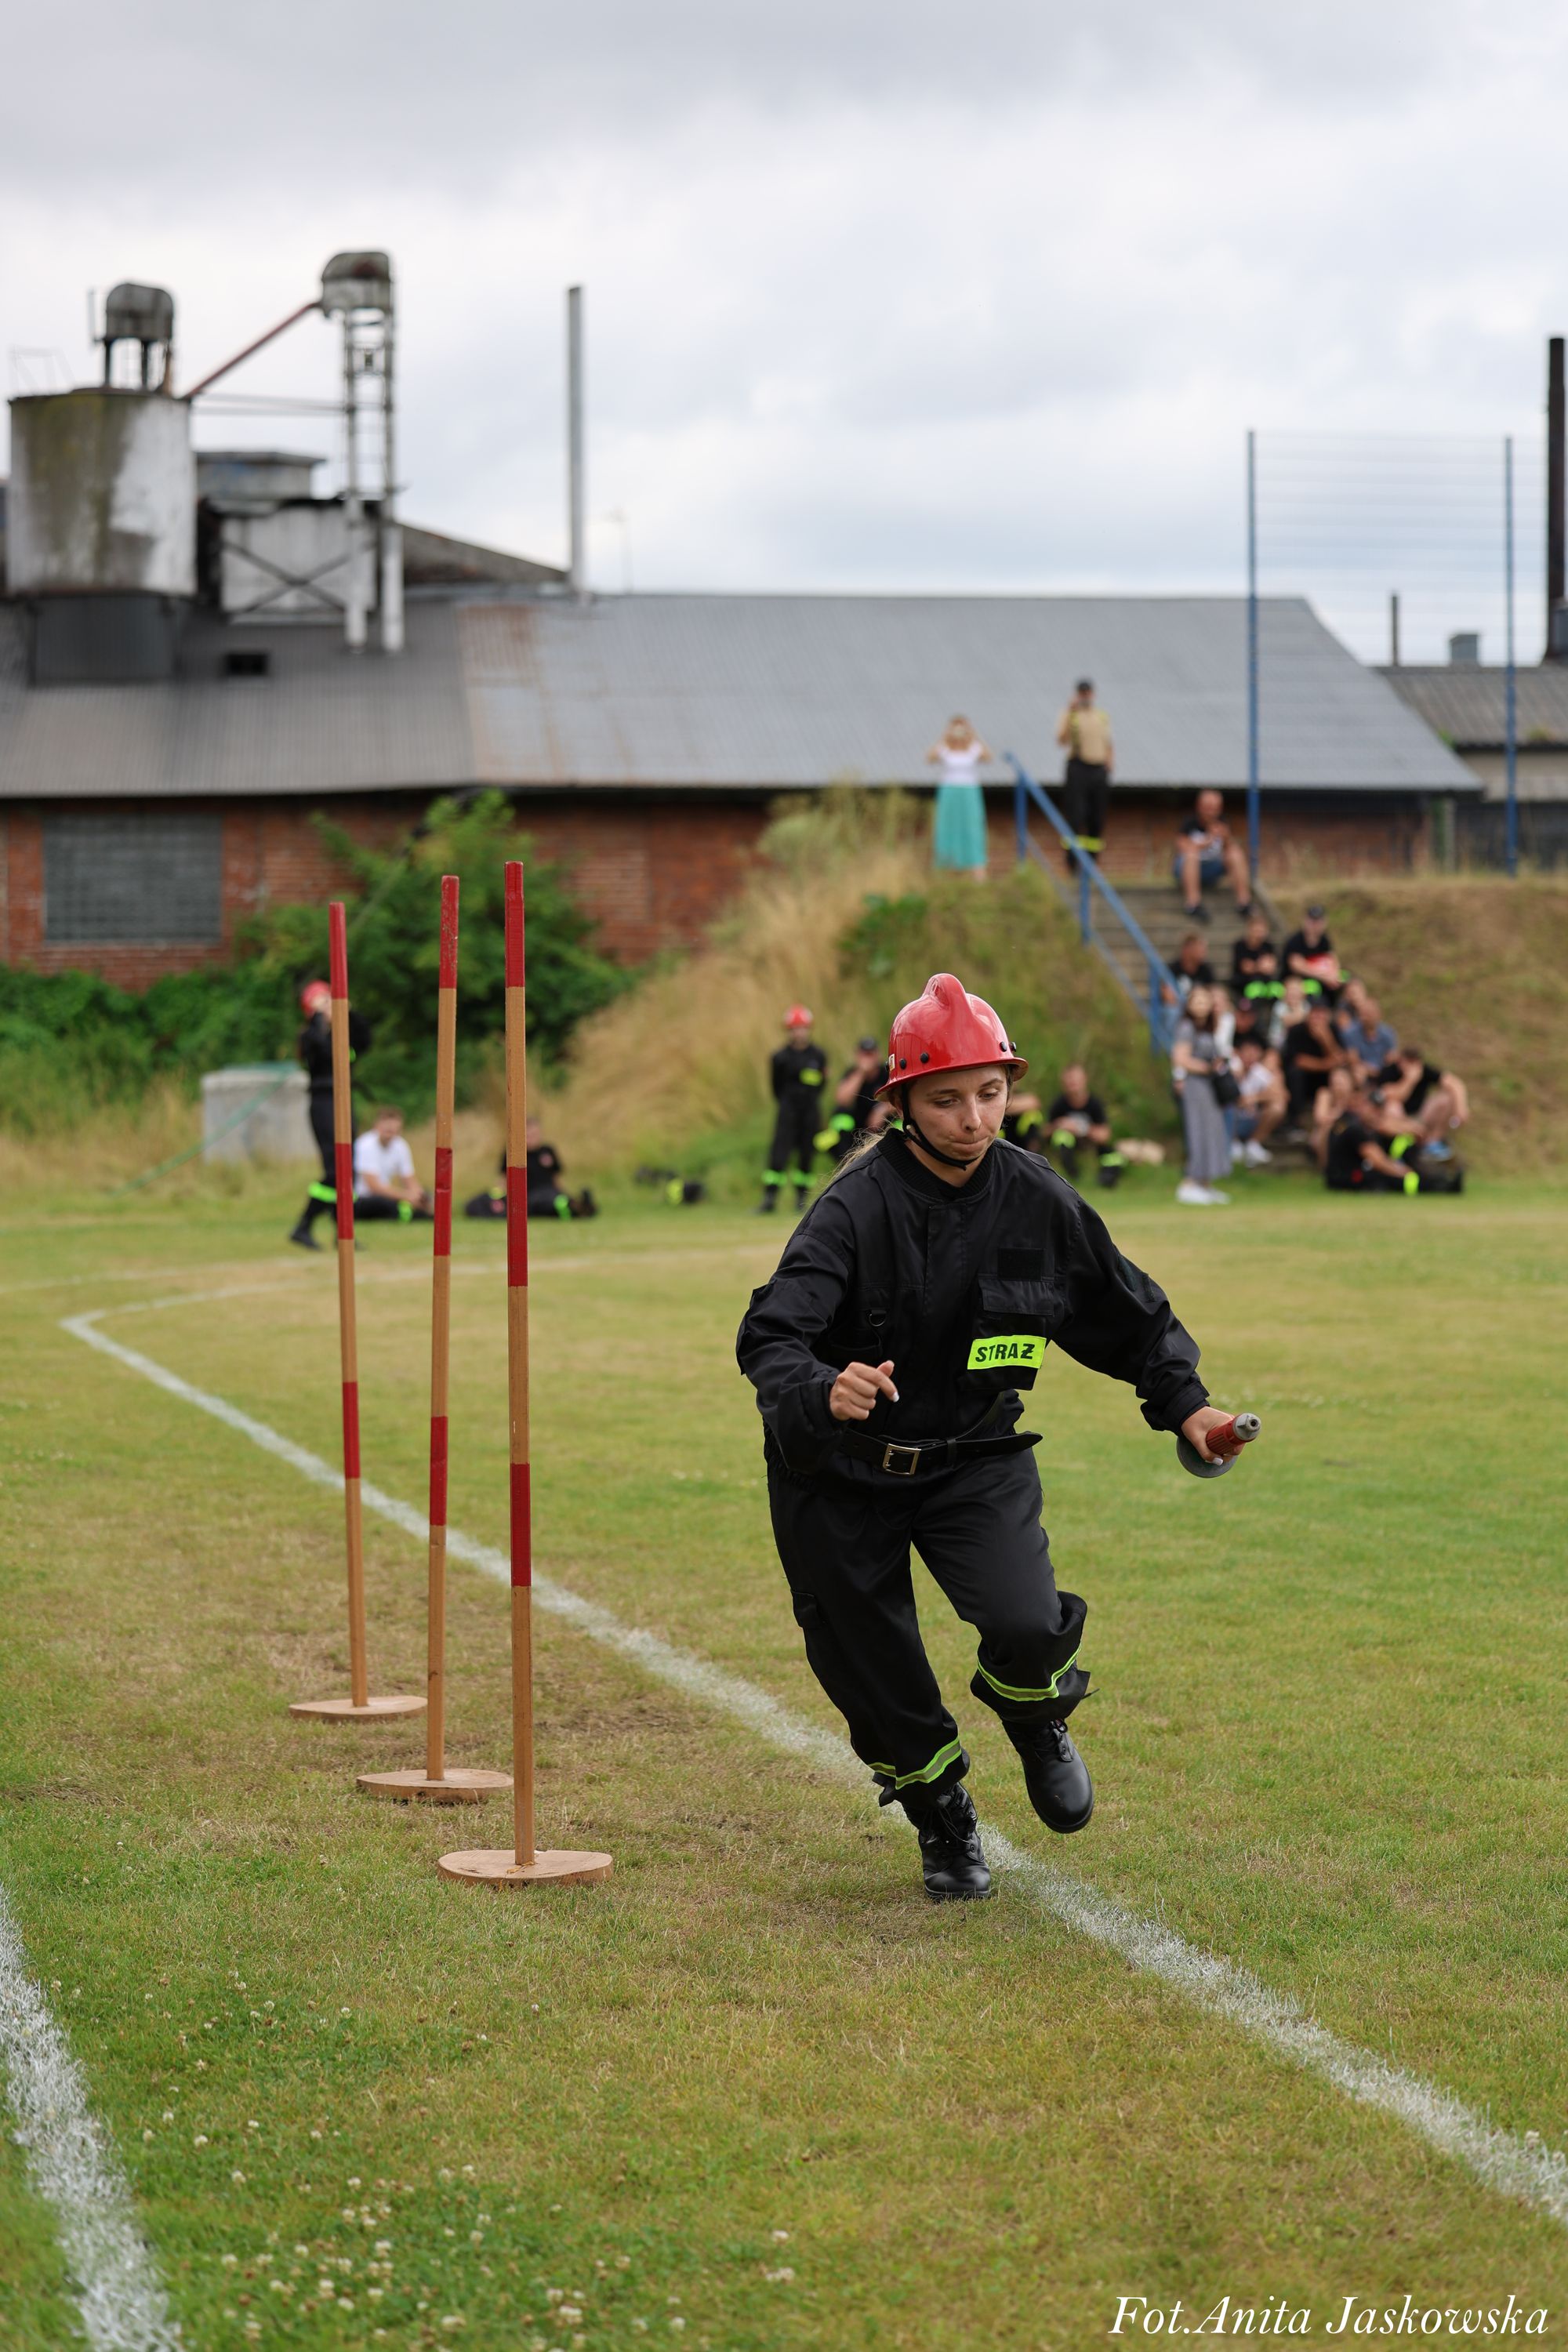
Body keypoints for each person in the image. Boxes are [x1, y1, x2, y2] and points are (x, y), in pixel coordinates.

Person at [735, 972, 1242, 1904]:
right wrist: (821, 1384)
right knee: (875, 1672)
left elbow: (1127, 1316)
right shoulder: (851, 1206)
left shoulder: (1035, 1197)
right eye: (945, 1098)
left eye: (990, 1092)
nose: (972, 1118)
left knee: (1021, 1620)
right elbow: (771, 1335)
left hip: (972, 1459)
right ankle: (941, 1815)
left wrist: (1189, 1410)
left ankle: (1031, 1712)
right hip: (838, 1477)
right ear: (900, 1103)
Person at [288, 978, 372, 1250]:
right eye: (322, 1001)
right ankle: (304, 1225)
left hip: (344, 1100)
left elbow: (365, 1039)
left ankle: (342, 1233)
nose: (329, 1005)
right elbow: (322, 1051)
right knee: (334, 1170)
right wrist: (319, 1020)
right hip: (324, 1102)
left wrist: (346, 1012)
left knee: (348, 1169)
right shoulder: (310, 1036)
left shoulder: (345, 1032)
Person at [758, 1005, 828, 1214]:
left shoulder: (819, 1056)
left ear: (809, 1029)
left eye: (802, 1028)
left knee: (806, 1155)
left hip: (809, 1112)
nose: (799, 1032)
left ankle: (801, 1198)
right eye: (794, 1028)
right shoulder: (779, 1058)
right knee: (779, 1154)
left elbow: (821, 1084)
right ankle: (770, 1197)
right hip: (787, 1112)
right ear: (788, 1031)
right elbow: (776, 1088)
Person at [1171, 985, 1232, 1205]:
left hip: (1208, 1088)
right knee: (1197, 1132)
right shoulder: (1187, 1027)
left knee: (1211, 1132)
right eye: (1197, 1001)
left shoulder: (1208, 1028)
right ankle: (1190, 1182)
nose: (1202, 1006)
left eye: (1205, 1001)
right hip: (1195, 1086)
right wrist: (1208, 1068)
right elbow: (1181, 1058)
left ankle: (1205, 1184)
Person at [1054, 679, 1113, 868]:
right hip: (1079, 767)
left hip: (1098, 770)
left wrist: (1109, 762)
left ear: (1093, 694)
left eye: (1088, 692)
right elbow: (1061, 740)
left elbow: (1109, 742)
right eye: (1082, 692)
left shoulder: (1101, 716)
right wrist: (1071, 711)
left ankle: (1092, 862)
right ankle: (1072, 862)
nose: (1085, 695)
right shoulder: (1070, 714)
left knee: (1096, 817)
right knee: (1076, 815)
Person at [925, 716, 991, 878]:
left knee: (973, 828)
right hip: (949, 793)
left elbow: (988, 757)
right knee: (947, 828)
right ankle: (946, 869)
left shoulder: (974, 747)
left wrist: (973, 735)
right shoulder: (944, 748)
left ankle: (978, 872)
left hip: (969, 792)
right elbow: (930, 758)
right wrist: (945, 736)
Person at [1174, 790, 1253, 924]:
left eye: (1215, 808)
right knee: (1192, 854)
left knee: (1235, 852)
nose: (1211, 812)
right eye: (1208, 808)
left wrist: (1227, 838)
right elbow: (1182, 847)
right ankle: (1193, 904)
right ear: (1199, 807)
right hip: (1186, 870)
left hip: (1213, 870)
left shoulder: (1223, 823)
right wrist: (1205, 843)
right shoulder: (1189, 823)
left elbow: (1231, 851)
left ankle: (1244, 903)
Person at [1045, 1064, 1125, 1189]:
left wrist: (1082, 1129)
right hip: (1070, 1147)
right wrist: (1060, 1125)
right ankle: (1071, 1175)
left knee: (1113, 1155)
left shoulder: (1095, 1104)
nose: (1073, 1085)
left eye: (1076, 1081)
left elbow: (1105, 1135)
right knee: (1062, 1137)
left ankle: (1107, 1179)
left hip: (1092, 1145)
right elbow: (1045, 1132)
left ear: (1084, 1080)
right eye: (1069, 1081)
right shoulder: (1059, 1104)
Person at [351, 1107, 434, 1224]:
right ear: (377, 1126)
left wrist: (418, 1195)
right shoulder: (365, 1144)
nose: (390, 1132)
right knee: (383, 1203)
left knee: (425, 1194)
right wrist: (406, 1196)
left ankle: (415, 1213)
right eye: (387, 1128)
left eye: (393, 1130)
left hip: (386, 1195)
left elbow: (409, 1179)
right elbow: (373, 1186)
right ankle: (410, 1215)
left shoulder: (401, 1145)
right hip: (363, 1198)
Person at [1377, 1047, 1470, 1149]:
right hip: (1399, 1119)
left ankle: (1432, 1143)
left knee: (1446, 1099)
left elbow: (1454, 1084)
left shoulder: (1423, 1069)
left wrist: (1460, 1108)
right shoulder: (1389, 1072)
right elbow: (1394, 1095)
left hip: (1420, 1115)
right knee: (1393, 1106)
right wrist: (1410, 1080)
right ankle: (1402, 1144)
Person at [821, 1037, 891, 1164]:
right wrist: (861, 1073)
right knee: (840, 1115)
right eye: (864, 1054)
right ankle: (846, 1161)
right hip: (857, 1125)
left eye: (871, 1054)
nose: (868, 1059)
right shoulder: (852, 1073)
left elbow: (901, 1100)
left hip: (881, 1124)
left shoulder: (886, 1074)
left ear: (878, 1055)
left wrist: (882, 1109)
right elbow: (842, 1100)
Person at [1281, 1000, 1344, 1123]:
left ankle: (1339, 1114)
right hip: (1302, 1079)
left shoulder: (1333, 1030)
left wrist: (1326, 1039)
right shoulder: (1297, 1030)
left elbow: (1340, 1058)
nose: (1318, 1019)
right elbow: (1299, 1060)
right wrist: (1326, 1064)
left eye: (1322, 1014)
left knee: (1340, 1076)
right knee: (1295, 1073)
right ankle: (1294, 1119)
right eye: (1315, 1014)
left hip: (1324, 1079)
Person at [1232, 1036, 1287, 1166]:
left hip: (1250, 1118)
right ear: (1239, 1053)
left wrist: (1254, 1098)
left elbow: (1280, 1094)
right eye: (1247, 1052)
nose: (1250, 1056)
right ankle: (1232, 1143)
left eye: (1254, 1052)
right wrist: (1239, 1100)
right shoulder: (1231, 1068)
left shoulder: (1259, 1072)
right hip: (1230, 1117)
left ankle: (1253, 1143)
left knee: (1278, 1108)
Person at [1281, 905, 1344, 1003]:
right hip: (1297, 980)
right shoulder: (1295, 941)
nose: (1315, 925)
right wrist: (1325, 977)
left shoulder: (1324, 940)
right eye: (1312, 921)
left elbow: (1332, 958)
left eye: (1318, 921)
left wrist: (1335, 973)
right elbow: (1297, 966)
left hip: (1320, 979)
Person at [1230, 913, 1282, 1006]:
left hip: (1265, 981)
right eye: (1257, 930)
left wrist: (1257, 966)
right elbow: (1246, 968)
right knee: (1256, 988)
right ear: (1250, 930)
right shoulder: (1240, 946)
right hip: (1244, 982)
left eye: (1262, 931)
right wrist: (1261, 966)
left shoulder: (1268, 946)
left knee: (1277, 989)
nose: (1259, 934)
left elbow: (1271, 967)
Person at [1341, 995, 1397, 1074]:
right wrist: (1370, 1070)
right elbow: (1353, 1060)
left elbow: (1391, 1057)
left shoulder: (1388, 1033)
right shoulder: (1350, 1033)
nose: (1365, 1018)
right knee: (1358, 1072)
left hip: (1381, 1071)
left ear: (1378, 1014)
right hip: (1362, 1070)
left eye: (1369, 1014)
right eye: (1363, 1014)